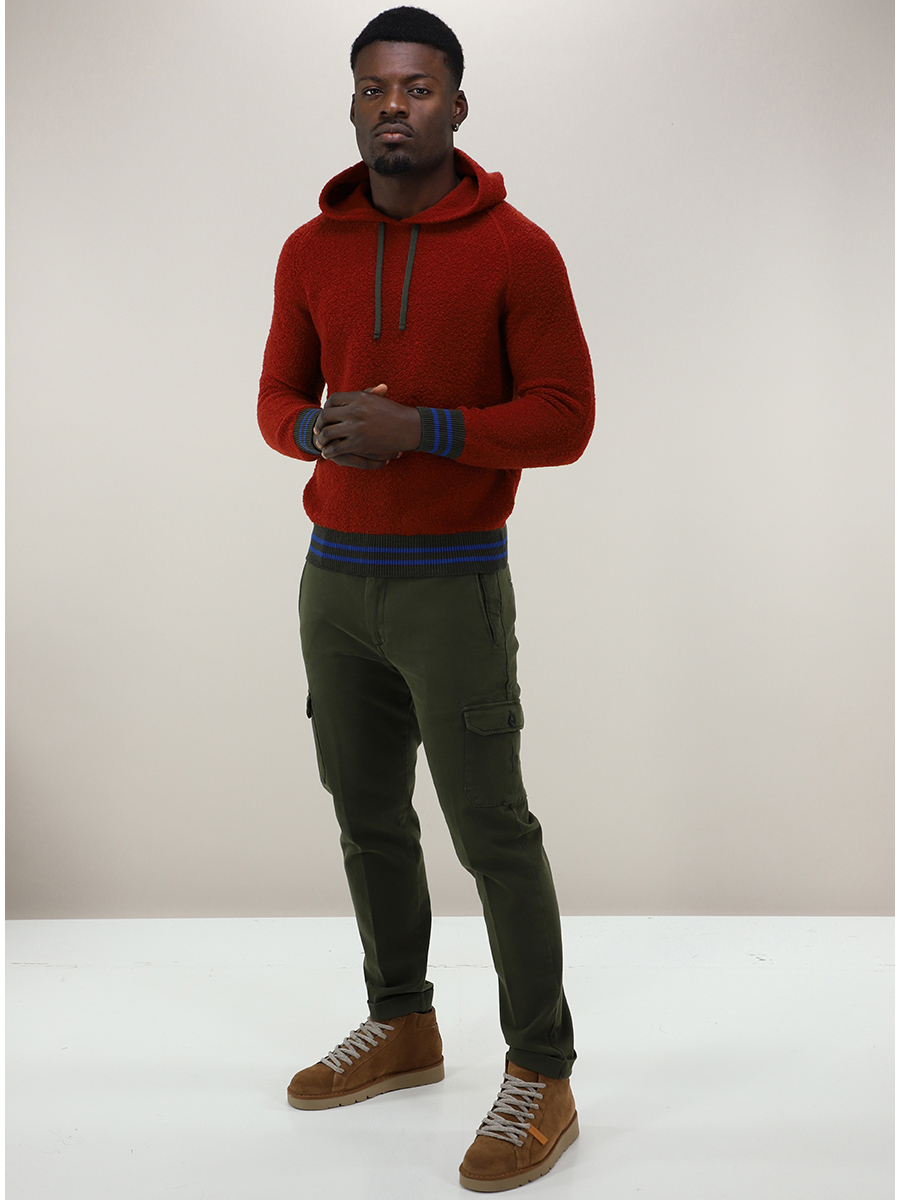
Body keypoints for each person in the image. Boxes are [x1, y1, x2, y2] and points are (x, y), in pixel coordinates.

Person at [258, 6, 594, 1190]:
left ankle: (542, 1071)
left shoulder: (517, 249)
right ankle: (402, 1022)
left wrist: (426, 431)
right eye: (372, 88)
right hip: (334, 581)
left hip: (453, 583)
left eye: (415, 87)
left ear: (456, 103)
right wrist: (315, 431)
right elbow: (274, 399)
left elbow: (565, 418)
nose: (391, 105)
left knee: (491, 829)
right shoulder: (309, 249)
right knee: (366, 816)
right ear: (354, 104)